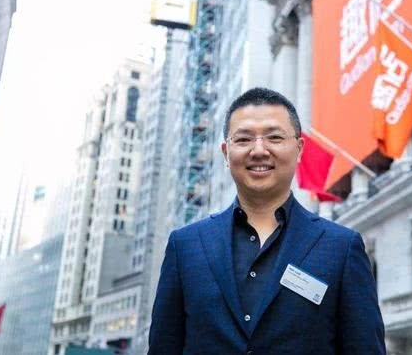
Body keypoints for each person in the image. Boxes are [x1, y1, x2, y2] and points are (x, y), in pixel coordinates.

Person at [148, 87, 385, 354]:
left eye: (274, 137)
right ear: (226, 153)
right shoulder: (185, 246)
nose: (259, 150)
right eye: (244, 139)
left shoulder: (341, 248)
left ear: (299, 148)